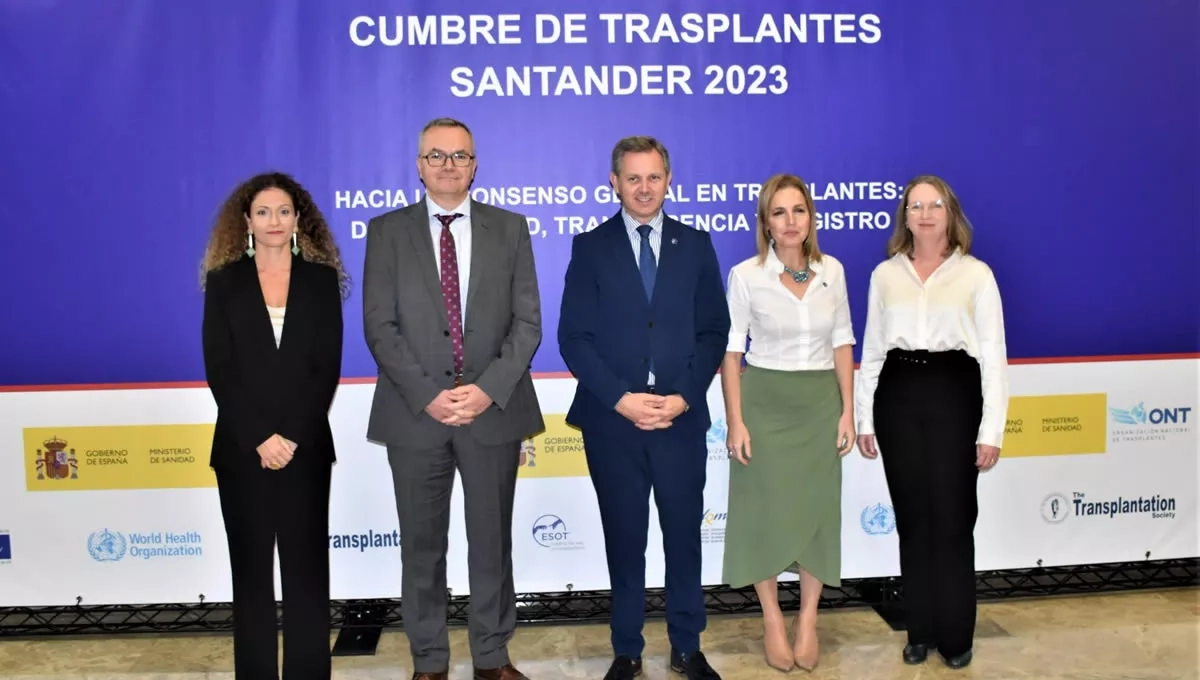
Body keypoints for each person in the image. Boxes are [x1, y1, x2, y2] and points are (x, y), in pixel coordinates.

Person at [362, 117, 544, 680]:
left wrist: (486, 391)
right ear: (419, 166)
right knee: (421, 548)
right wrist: (429, 395)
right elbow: (379, 327)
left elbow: (527, 325)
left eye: (460, 155)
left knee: (491, 544)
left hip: (492, 413)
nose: (448, 165)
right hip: (415, 415)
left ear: (474, 165)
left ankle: (491, 657)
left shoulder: (509, 229)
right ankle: (429, 662)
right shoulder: (387, 232)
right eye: (436, 155)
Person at [557, 136, 730, 680]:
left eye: (654, 177)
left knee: (683, 539)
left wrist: (683, 396)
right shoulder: (591, 247)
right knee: (625, 540)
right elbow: (574, 338)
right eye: (633, 178)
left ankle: (687, 648)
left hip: (680, 420)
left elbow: (714, 330)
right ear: (615, 182)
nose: (644, 188)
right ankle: (627, 649)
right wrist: (622, 400)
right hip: (614, 423)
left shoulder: (695, 245)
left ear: (669, 180)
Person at [855, 175, 1008, 671]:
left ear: (951, 213)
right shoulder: (885, 275)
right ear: (905, 216)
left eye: (934, 205)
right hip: (898, 393)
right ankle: (919, 631)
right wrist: (864, 418)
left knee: (953, 518)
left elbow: (993, 357)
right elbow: (872, 350)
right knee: (914, 520)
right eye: (915, 206)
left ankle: (955, 635)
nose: (924, 214)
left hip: (954, 392)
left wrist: (991, 430)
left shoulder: (976, 275)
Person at [200, 171, 349, 679]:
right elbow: (220, 369)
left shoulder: (321, 281)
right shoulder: (224, 282)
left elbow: (325, 368)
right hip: (242, 451)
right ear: (246, 221)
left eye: (284, 211)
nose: (274, 221)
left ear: (298, 219)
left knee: (307, 576)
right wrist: (261, 437)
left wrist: (290, 436)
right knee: (251, 580)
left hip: (305, 449)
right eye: (263, 212)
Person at [720, 174, 856, 672]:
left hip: (820, 405)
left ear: (810, 218)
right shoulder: (745, 276)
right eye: (779, 212)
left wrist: (848, 410)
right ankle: (774, 619)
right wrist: (735, 421)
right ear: (765, 222)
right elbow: (731, 354)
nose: (790, 221)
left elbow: (842, 342)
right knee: (762, 512)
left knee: (818, 512)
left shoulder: (832, 271)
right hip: (764, 404)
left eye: (798, 210)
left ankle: (808, 620)